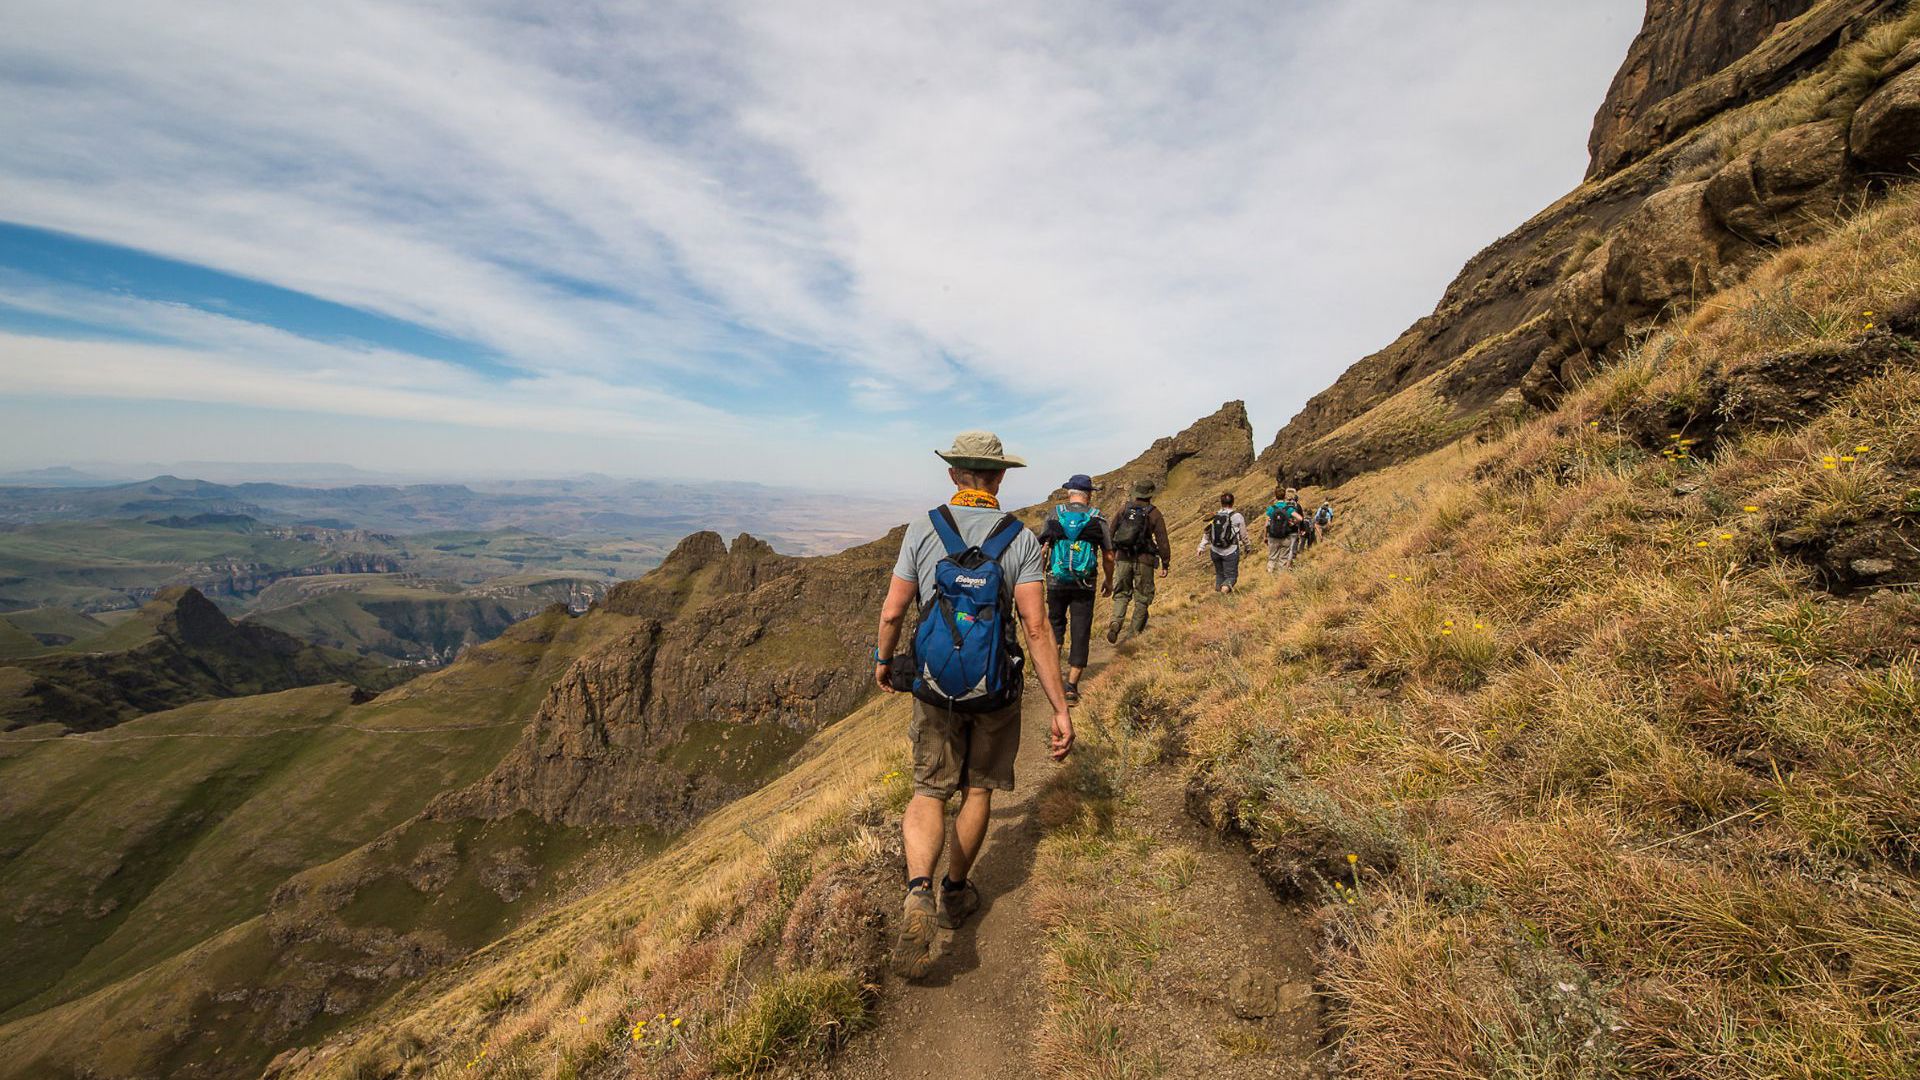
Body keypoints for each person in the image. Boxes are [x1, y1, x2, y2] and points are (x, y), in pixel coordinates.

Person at [873, 430, 1074, 979]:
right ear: (1000, 477)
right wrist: (1059, 707)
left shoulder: (923, 528)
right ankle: (954, 894)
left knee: (928, 791)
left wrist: (884, 660)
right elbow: (1036, 627)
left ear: (953, 474)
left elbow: (893, 611)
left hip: (934, 686)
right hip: (994, 691)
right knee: (977, 789)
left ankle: (918, 890)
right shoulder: (1021, 539)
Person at [1037, 474, 1115, 704]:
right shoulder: (1097, 517)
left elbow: (1042, 549)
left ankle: (1052, 680)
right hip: (1085, 583)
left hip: (1056, 580)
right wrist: (1109, 580)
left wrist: (1039, 576)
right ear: (1088, 494)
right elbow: (1109, 555)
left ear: (1069, 493)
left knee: (1055, 625)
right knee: (1081, 629)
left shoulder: (1055, 514)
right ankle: (1071, 687)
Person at [1105, 478, 1171, 643]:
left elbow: (1110, 531)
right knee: (1142, 597)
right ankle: (1132, 635)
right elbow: (1162, 540)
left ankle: (1116, 622)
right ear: (1150, 495)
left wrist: (1112, 553)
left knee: (1121, 593)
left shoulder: (1124, 509)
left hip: (1122, 558)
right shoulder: (1154, 513)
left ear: (1136, 493)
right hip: (1144, 560)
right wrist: (1165, 563)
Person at [1196, 491, 1248, 593]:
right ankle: (1223, 592)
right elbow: (1244, 535)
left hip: (1215, 551)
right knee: (1231, 577)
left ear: (1221, 503)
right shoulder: (1237, 516)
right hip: (1230, 551)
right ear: (1233, 502)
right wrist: (1247, 546)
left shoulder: (1215, 516)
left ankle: (1218, 595)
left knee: (1220, 574)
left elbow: (1207, 533)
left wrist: (1201, 547)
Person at [1263, 487, 1309, 572]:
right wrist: (1293, 523)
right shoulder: (1288, 509)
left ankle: (1270, 576)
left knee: (1272, 558)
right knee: (1283, 559)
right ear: (1284, 496)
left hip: (1273, 537)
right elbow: (1300, 518)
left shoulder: (1271, 508)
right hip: (1285, 537)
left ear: (1275, 496)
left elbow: (1266, 525)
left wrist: (1265, 536)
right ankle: (1281, 577)